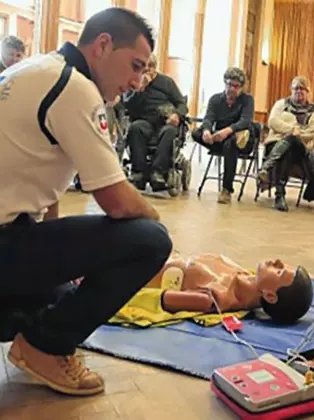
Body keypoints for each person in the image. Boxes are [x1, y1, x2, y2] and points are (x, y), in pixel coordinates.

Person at [0, 8, 173, 396]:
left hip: (11, 232)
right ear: (103, 45)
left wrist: (65, 264)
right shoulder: (75, 87)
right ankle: (45, 347)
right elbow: (118, 202)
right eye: (135, 65)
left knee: (64, 295)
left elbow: (43, 186)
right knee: (150, 240)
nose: (136, 81)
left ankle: (34, 331)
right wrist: (159, 222)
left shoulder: (39, 68)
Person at [118, 255, 313, 325]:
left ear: (270, 296)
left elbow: (147, 298)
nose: (277, 261)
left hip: (126, 267)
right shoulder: (242, 273)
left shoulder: (213, 299)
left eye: (279, 272)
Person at [123, 54, 188, 191]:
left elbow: (182, 104)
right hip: (144, 120)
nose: (147, 73)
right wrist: (140, 90)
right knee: (135, 128)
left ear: (155, 68)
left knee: (169, 131)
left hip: (164, 121)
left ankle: (157, 172)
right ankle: (138, 172)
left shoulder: (166, 82)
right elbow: (128, 106)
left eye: (150, 69)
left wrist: (176, 115)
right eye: (144, 70)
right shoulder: (134, 82)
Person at [192, 67, 255, 204]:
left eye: (236, 86)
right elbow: (209, 118)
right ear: (224, 83)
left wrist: (228, 130)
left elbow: (245, 121)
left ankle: (226, 189)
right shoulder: (215, 99)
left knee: (230, 143)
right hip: (219, 139)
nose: (232, 88)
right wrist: (207, 131)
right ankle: (218, 147)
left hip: (240, 139)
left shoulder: (247, 100)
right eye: (229, 84)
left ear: (241, 88)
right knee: (196, 133)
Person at [258, 76, 314, 212]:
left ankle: (267, 167)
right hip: (275, 145)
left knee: (293, 140)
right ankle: (279, 195)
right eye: (296, 88)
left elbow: (311, 133)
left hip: (301, 150)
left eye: (302, 89)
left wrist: (292, 133)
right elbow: (272, 122)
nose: (299, 91)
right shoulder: (281, 104)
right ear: (291, 90)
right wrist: (292, 130)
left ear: (308, 91)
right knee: (287, 149)